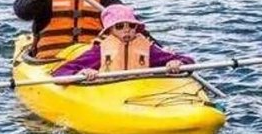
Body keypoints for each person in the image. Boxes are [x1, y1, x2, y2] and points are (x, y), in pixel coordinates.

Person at [52, 5, 192, 81]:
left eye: (131, 26)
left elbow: (187, 60)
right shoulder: (99, 51)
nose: (127, 31)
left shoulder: (147, 49)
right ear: (110, 31)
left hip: (141, 91)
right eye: (119, 27)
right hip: (111, 93)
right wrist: (81, 73)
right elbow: (61, 72)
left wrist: (178, 63)